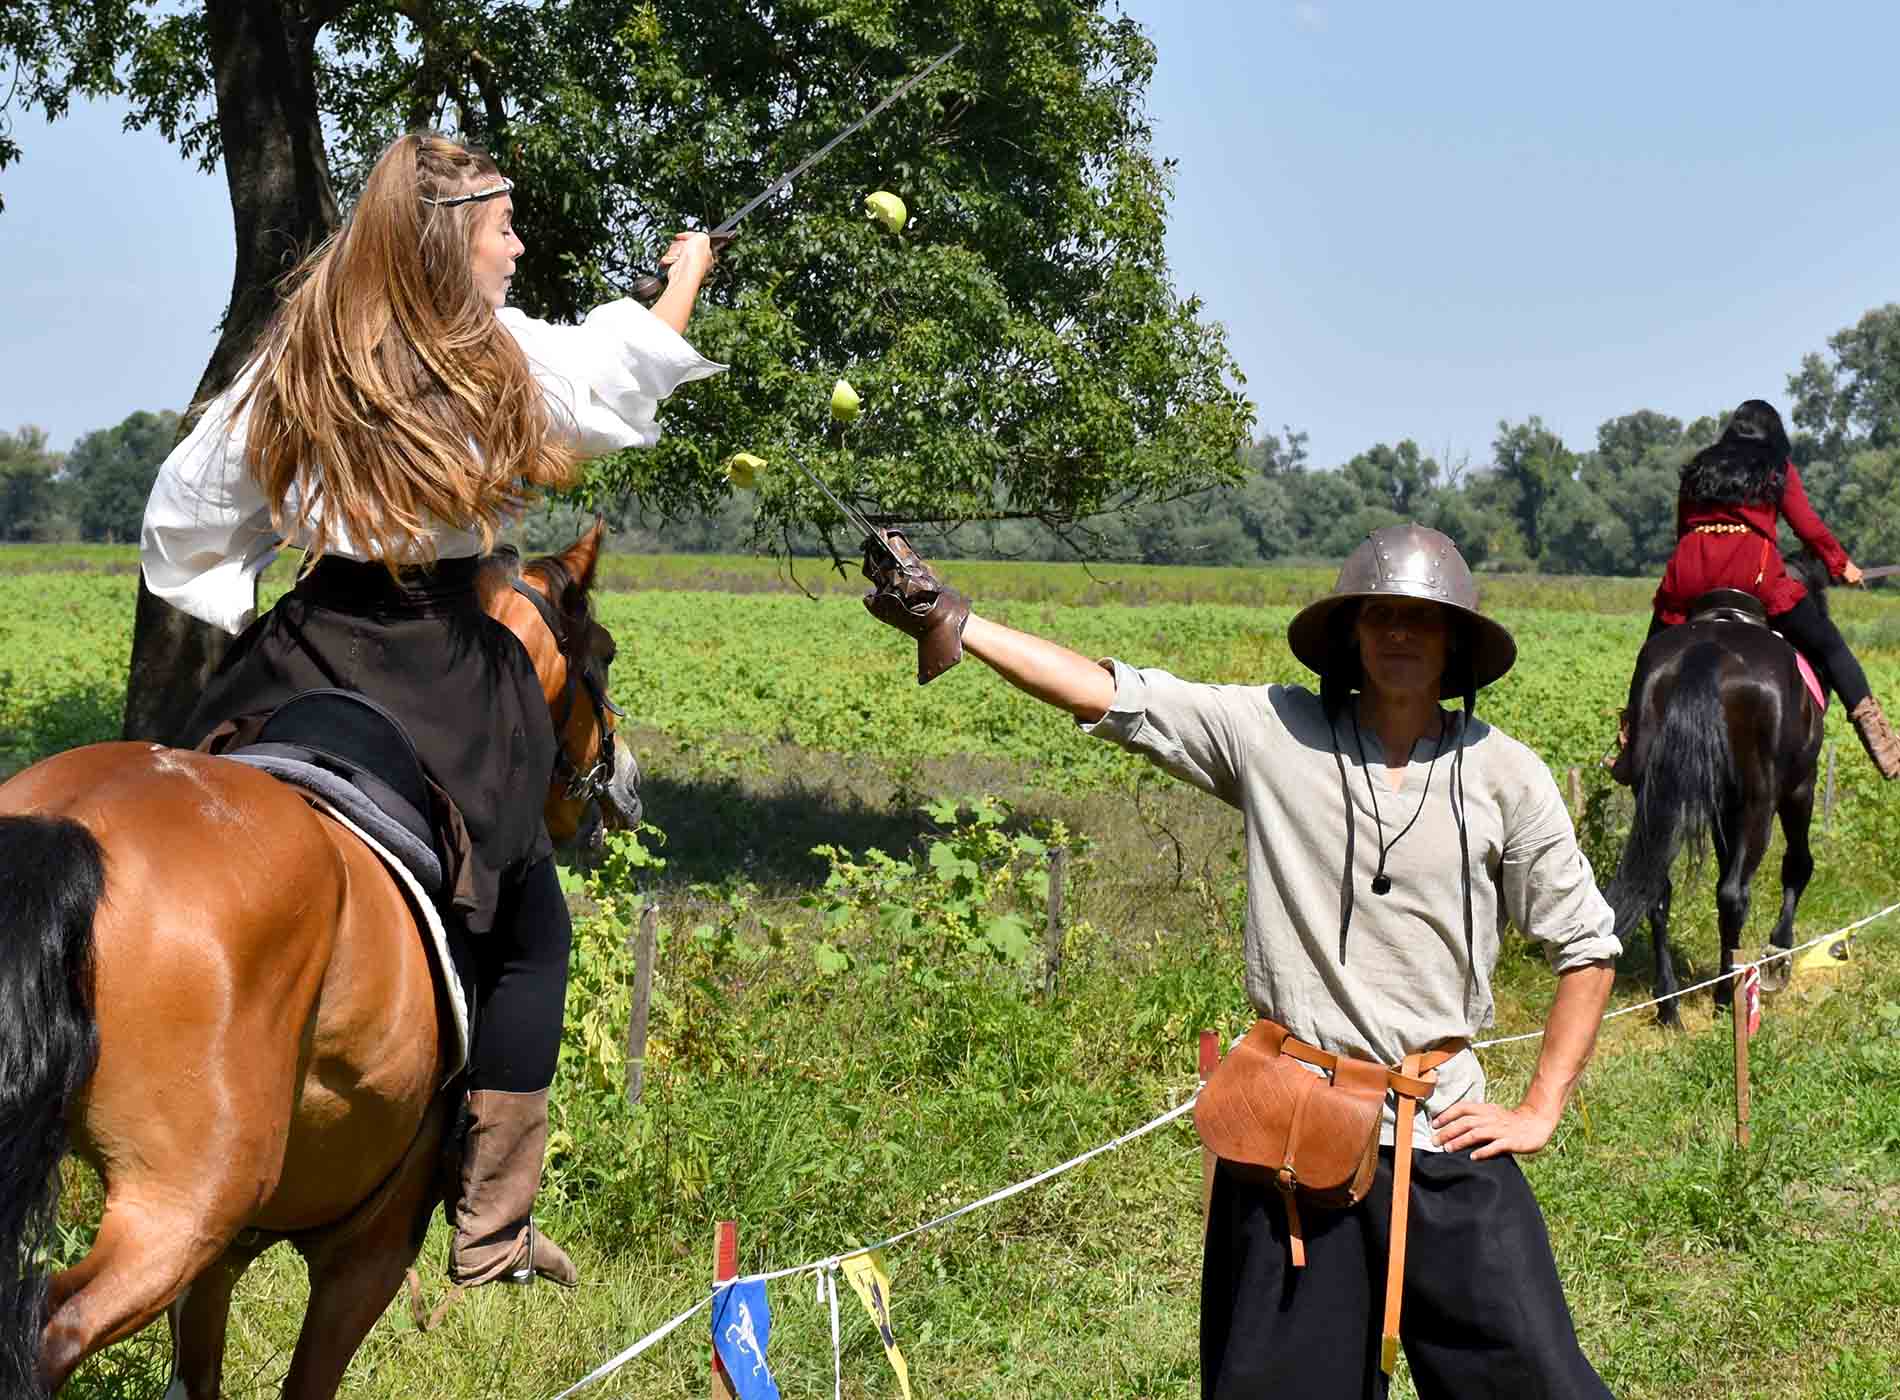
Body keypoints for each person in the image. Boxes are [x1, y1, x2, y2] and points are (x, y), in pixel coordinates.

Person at [140, 131, 724, 1288]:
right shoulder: (493, 352)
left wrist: (246, 581)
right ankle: (492, 1225)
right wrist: (689, 272)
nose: (517, 248)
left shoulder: (301, 353)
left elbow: (185, 511)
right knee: (531, 932)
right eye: (504, 228)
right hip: (447, 667)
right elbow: (618, 376)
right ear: (455, 243)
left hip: (306, 648)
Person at [861, 523, 1620, 1398]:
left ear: (1455, 639)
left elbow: (1588, 947)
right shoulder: (1274, 733)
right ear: (1352, 633)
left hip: (1441, 1130)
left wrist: (1540, 1107)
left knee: (1540, 1384)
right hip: (1296, 1141)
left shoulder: (1505, 774)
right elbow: (1116, 695)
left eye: (1421, 617)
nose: (1400, 633)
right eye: (1380, 615)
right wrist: (958, 621)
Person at [1611, 398, 1899, 781]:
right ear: (1774, 434)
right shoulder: (1775, 467)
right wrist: (1840, 564)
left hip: (1690, 571)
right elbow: (1807, 526)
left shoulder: (1700, 467)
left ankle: (1631, 742)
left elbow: (1683, 529)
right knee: (1830, 646)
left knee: (1651, 654)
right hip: (1753, 573)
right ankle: (1883, 747)